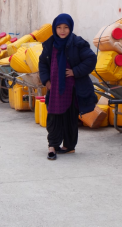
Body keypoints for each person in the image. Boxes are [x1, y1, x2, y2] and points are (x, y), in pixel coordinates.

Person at [39, 13, 97, 161]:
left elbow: (91, 58)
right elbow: (43, 64)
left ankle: (69, 146)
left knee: (70, 117)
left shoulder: (77, 43)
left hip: (72, 89)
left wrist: (75, 71)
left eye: (66, 27)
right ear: (54, 28)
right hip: (54, 88)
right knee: (53, 116)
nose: (62, 31)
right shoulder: (49, 44)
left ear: (70, 28)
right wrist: (46, 81)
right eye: (59, 27)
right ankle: (52, 146)